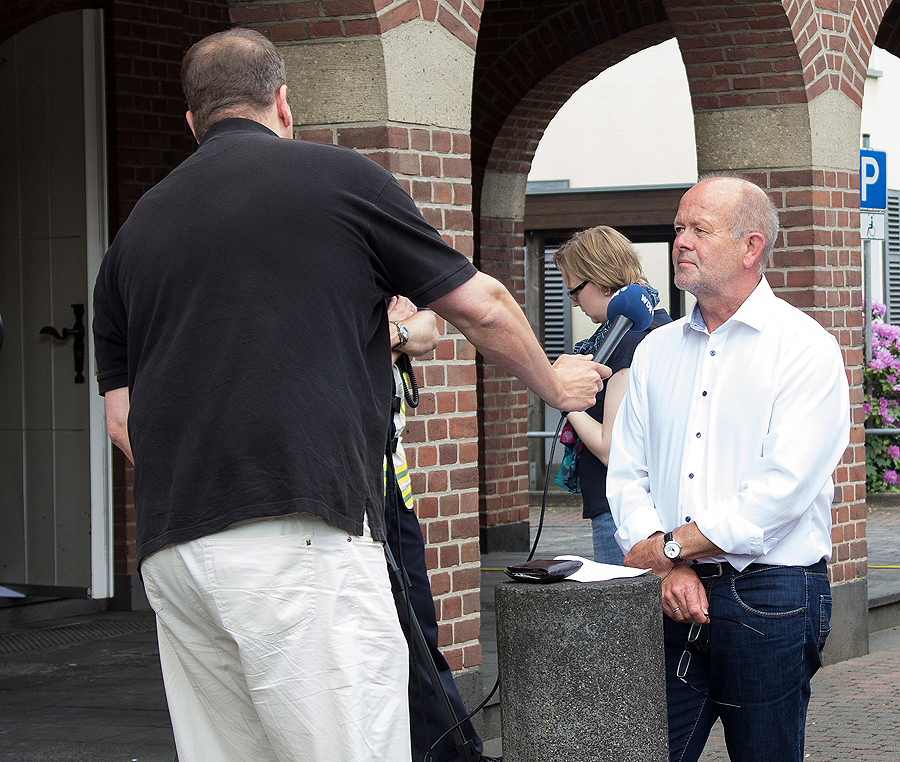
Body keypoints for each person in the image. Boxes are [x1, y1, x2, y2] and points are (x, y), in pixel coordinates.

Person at [92, 28, 606, 762]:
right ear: (283, 102)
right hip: (300, 531)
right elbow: (484, 307)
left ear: (191, 122)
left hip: (175, 553)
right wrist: (556, 386)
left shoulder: (135, 231)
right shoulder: (339, 179)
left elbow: (123, 419)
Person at [607, 174, 850, 762]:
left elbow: (781, 490)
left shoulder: (804, 347)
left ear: (751, 247)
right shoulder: (655, 349)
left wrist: (670, 550)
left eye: (700, 229)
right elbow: (628, 471)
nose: (681, 242)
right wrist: (666, 565)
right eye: (677, 230)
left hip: (770, 594)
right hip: (671, 591)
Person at [383, 296, 498, 762]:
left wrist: (394, 334)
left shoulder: (388, 297)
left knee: (417, 628)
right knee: (395, 631)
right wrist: (389, 334)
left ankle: (449, 751)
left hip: (394, 491)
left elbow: (429, 327)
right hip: (357, 492)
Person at [552, 226, 672, 564]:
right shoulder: (656, 327)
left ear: (603, 281)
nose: (572, 303)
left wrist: (561, 394)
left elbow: (611, 448)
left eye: (574, 291)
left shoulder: (631, 339)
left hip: (622, 511)